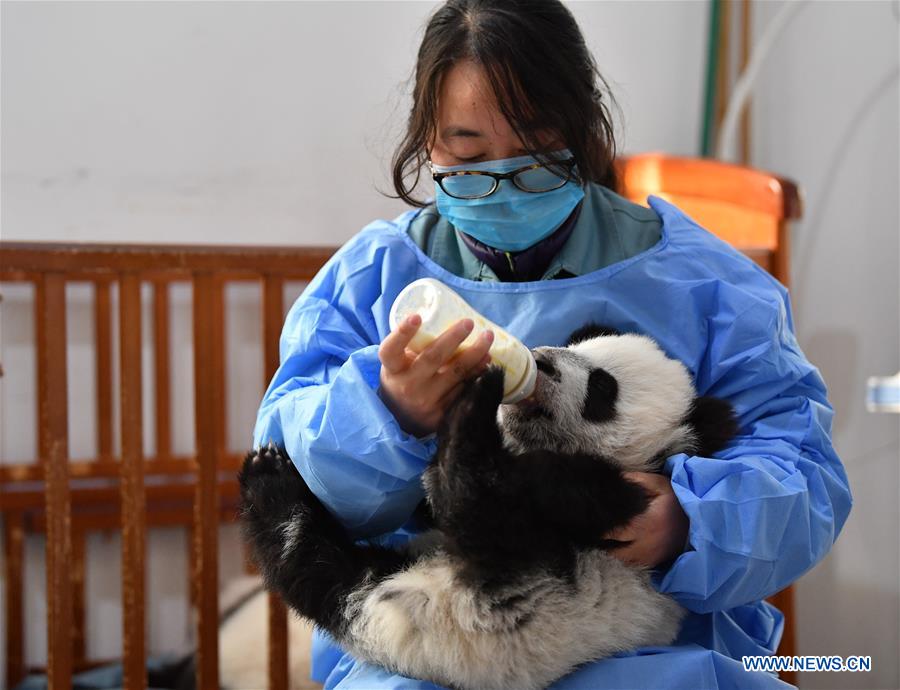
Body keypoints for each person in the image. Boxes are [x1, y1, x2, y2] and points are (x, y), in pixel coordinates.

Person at [252, 1, 852, 688]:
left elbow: (804, 473)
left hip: (654, 649)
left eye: (536, 154)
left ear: (583, 128)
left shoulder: (708, 285)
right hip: (428, 651)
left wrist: (689, 521)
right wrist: (386, 414)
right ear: (427, 142)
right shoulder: (370, 282)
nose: (505, 184)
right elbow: (289, 477)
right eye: (470, 156)